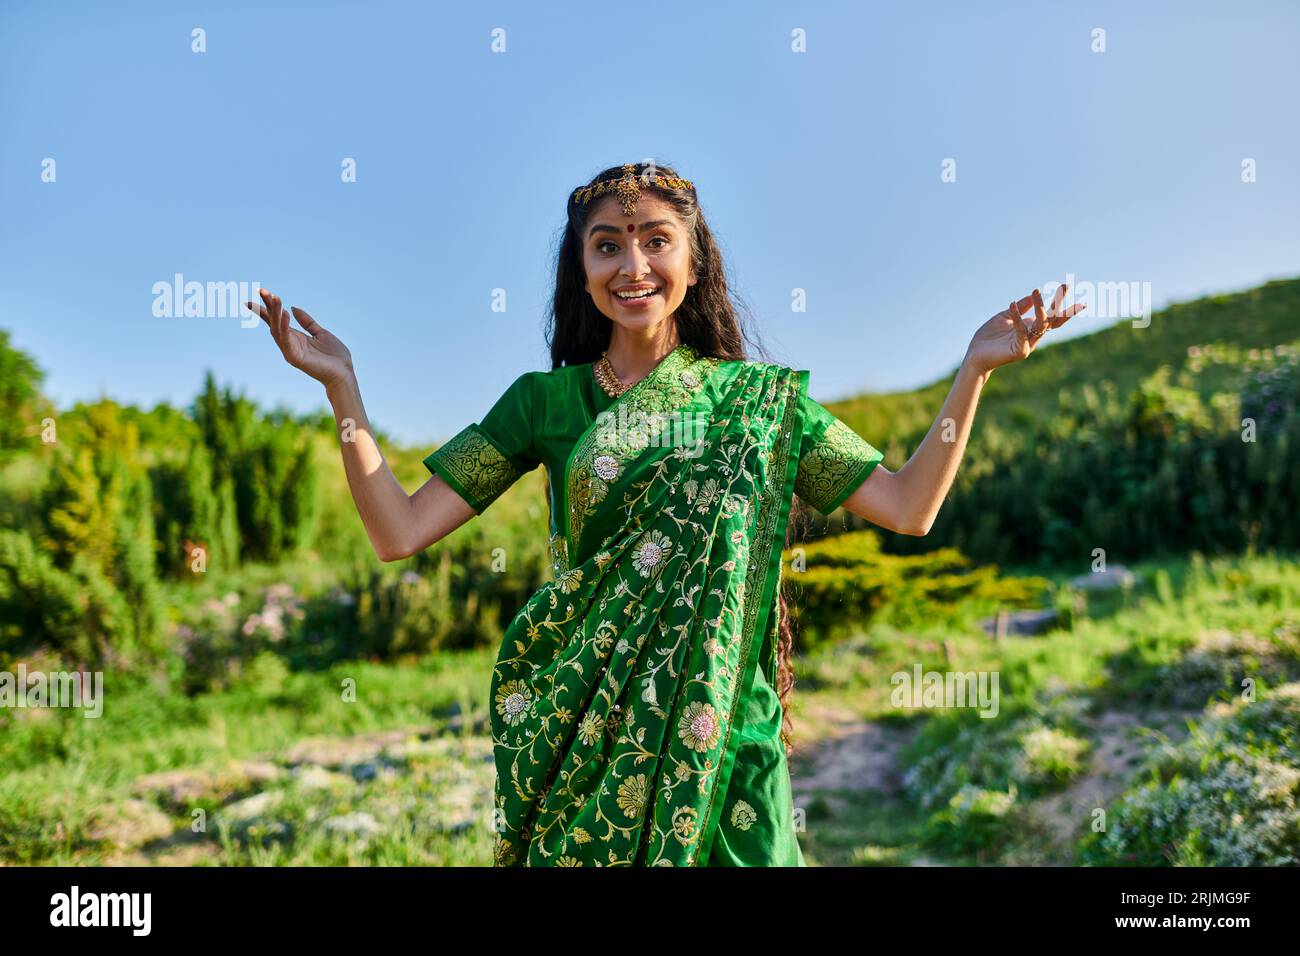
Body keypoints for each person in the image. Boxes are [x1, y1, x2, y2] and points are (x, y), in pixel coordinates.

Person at [248, 161, 1084, 866]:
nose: (632, 265)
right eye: (607, 246)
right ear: (582, 271)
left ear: (694, 262)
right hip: (585, 734)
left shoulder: (760, 404)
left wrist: (973, 371)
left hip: (728, 736)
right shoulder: (542, 404)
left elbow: (907, 506)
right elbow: (398, 531)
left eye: (656, 241)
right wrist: (342, 389)